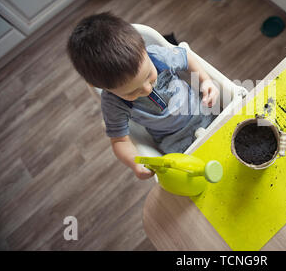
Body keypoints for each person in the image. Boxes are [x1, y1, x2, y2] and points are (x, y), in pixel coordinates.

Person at [67, 12, 219, 180]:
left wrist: (205, 81)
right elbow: (119, 141)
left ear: (144, 48)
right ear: (101, 87)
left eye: (148, 75)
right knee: (199, 175)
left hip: (204, 111)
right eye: (132, 92)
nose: (147, 89)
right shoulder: (113, 104)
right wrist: (135, 162)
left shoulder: (157, 57)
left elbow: (186, 57)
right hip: (174, 141)